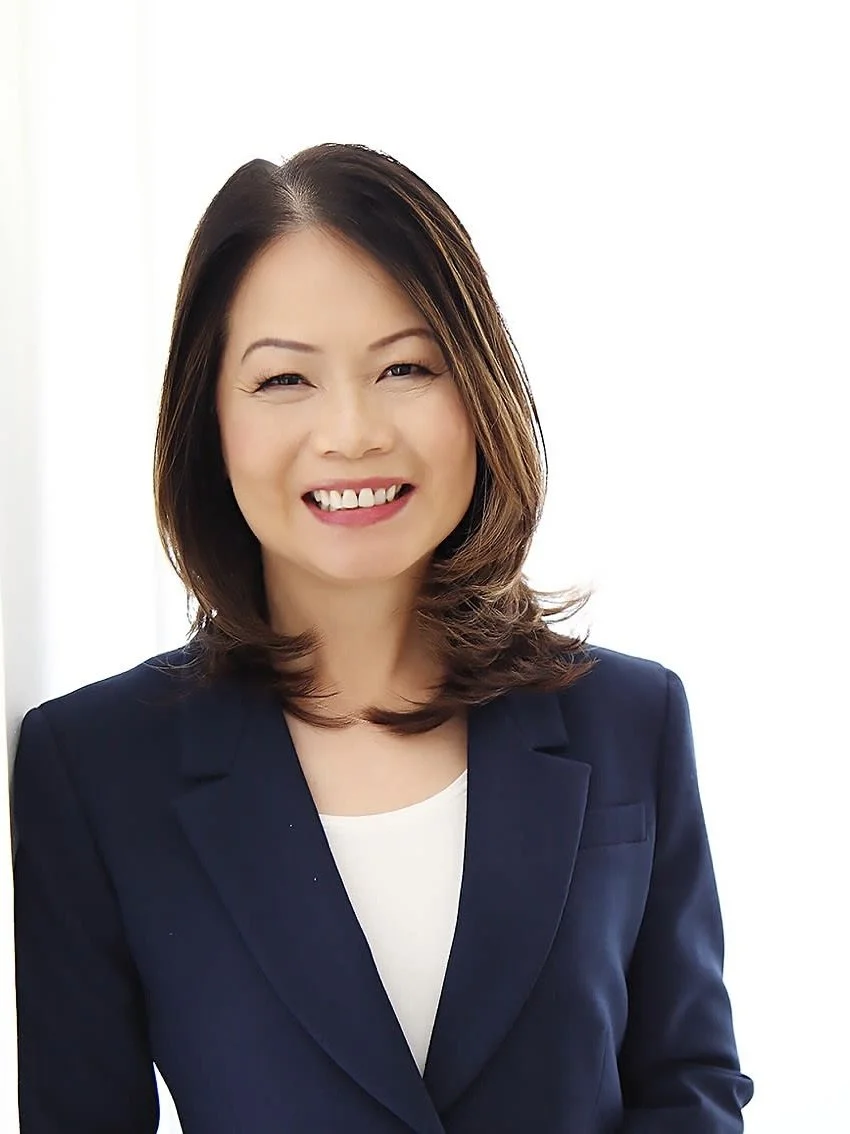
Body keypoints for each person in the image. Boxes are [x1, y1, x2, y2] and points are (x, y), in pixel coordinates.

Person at [12, 142, 754, 1133]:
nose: (353, 432)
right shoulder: (94, 768)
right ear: (212, 421)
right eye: (285, 381)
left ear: (477, 389)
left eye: (405, 366)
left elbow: (689, 1088)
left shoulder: (630, 718)